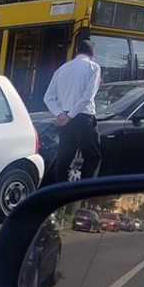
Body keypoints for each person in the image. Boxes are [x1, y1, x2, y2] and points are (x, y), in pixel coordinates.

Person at [44, 39, 102, 182]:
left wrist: (61, 114)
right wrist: (70, 115)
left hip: (64, 120)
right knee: (93, 156)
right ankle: (84, 191)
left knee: (64, 158)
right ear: (92, 54)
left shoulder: (62, 69)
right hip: (83, 118)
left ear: (76, 51)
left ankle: (60, 191)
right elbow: (88, 96)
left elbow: (48, 97)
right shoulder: (93, 67)